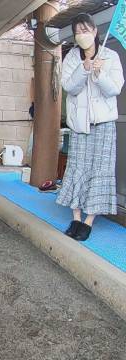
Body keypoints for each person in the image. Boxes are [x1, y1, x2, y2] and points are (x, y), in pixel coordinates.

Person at [57, 13, 124, 241]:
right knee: (77, 169)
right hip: (79, 126)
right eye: (78, 31)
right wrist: (84, 69)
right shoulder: (72, 58)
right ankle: (76, 217)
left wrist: (99, 72)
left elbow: (114, 89)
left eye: (86, 29)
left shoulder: (111, 56)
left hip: (103, 125)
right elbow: (69, 86)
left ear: (95, 31)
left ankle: (88, 221)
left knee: (99, 172)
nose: (82, 34)